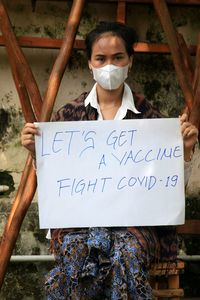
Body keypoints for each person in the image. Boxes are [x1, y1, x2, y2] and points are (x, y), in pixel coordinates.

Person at [21, 21, 198, 300]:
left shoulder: (149, 116)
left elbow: (168, 185)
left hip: (135, 225)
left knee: (126, 253)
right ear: (90, 64)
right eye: (100, 59)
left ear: (130, 61)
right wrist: (36, 152)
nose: (109, 66)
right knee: (77, 253)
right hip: (79, 224)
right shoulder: (69, 116)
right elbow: (56, 181)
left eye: (118, 58)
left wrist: (185, 150)